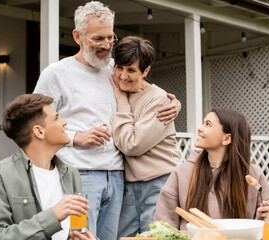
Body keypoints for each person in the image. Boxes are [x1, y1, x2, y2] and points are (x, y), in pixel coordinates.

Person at [33, 2, 181, 240]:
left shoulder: (116, 69)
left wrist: (173, 103)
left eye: (110, 37)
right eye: (98, 38)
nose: (106, 45)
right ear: (77, 36)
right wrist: (75, 138)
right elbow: (35, 123)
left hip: (119, 176)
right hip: (80, 175)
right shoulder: (56, 73)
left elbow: (143, 87)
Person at [0, 94, 95, 240]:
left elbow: (79, 230)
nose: (64, 122)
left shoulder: (71, 174)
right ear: (39, 131)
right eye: (57, 118)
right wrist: (52, 217)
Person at [108, 36, 181, 237]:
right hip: (129, 184)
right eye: (119, 67)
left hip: (159, 183)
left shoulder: (159, 100)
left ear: (146, 71)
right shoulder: (114, 85)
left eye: (131, 70)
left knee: (155, 238)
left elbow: (132, 145)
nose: (123, 76)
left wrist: (122, 103)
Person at [153, 108, 269, 230]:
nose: (200, 128)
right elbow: (163, 226)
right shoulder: (181, 172)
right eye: (203, 123)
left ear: (226, 139)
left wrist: (263, 218)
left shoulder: (253, 175)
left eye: (208, 124)